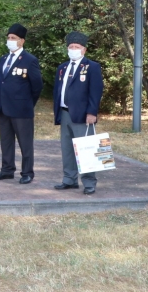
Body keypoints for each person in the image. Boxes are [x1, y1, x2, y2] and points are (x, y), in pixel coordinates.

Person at [51, 32, 103, 195]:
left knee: (86, 149)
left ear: (84, 49)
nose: (73, 49)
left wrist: (92, 112)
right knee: (67, 148)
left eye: (77, 47)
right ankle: (69, 179)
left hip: (83, 115)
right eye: (71, 47)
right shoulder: (63, 68)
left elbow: (96, 91)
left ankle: (89, 182)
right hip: (65, 112)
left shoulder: (91, 67)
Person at [0, 23, 43, 184]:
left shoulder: (29, 60)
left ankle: (27, 172)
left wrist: (27, 103)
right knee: (6, 141)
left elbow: (37, 86)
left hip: (21, 109)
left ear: (22, 41)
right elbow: (3, 82)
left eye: (13, 38)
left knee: (25, 143)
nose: (10, 41)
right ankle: (7, 170)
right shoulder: (4, 59)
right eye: (8, 38)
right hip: (3, 108)